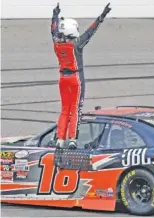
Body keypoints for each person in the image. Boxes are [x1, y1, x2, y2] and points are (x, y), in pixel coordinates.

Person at [51, 3, 112, 149]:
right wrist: (101, 17)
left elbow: (53, 29)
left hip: (62, 79)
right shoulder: (76, 44)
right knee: (76, 109)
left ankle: (60, 139)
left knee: (64, 109)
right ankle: (72, 139)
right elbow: (90, 32)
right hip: (76, 79)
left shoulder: (56, 43)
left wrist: (55, 15)